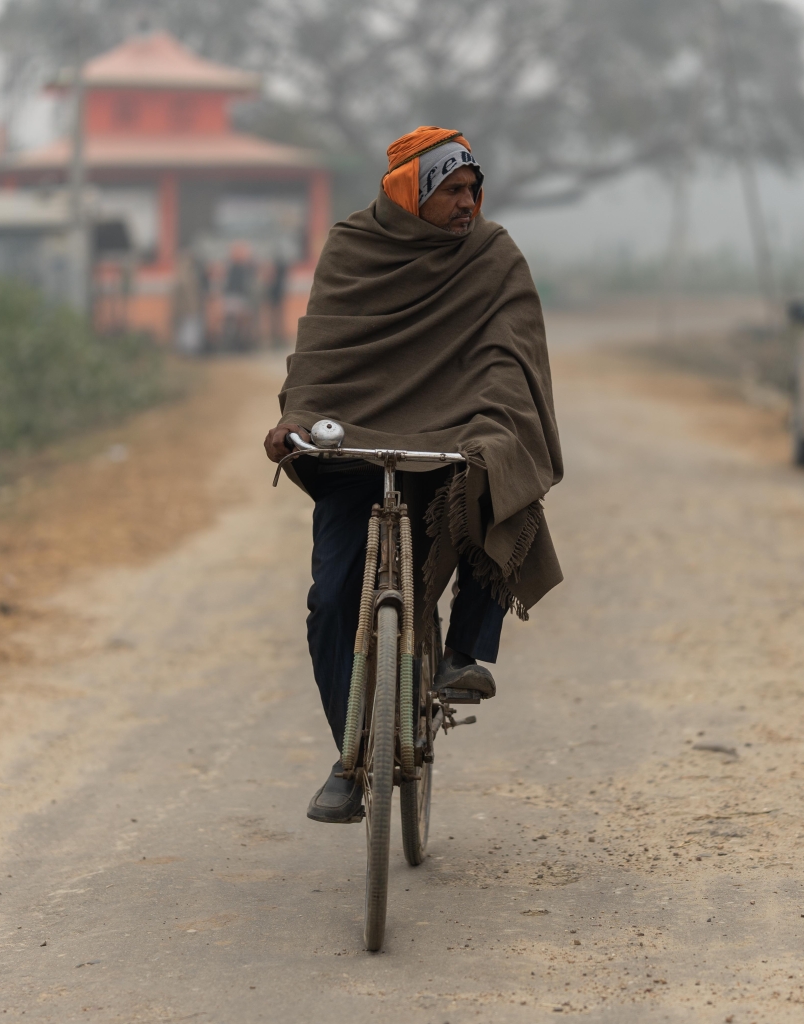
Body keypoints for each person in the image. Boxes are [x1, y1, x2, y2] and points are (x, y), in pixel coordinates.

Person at [263, 126, 563, 823]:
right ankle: (350, 754)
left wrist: (498, 425)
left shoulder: (492, 255)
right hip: (354, 446)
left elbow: (508, 358)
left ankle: (463, 648)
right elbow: (322, 351)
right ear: (410, 194)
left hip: (453, 437)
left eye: (472, 189)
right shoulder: (353, 247)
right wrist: (296, 418)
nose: (467, 204)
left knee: (501, 466)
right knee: (332, 600)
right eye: (451, 191)